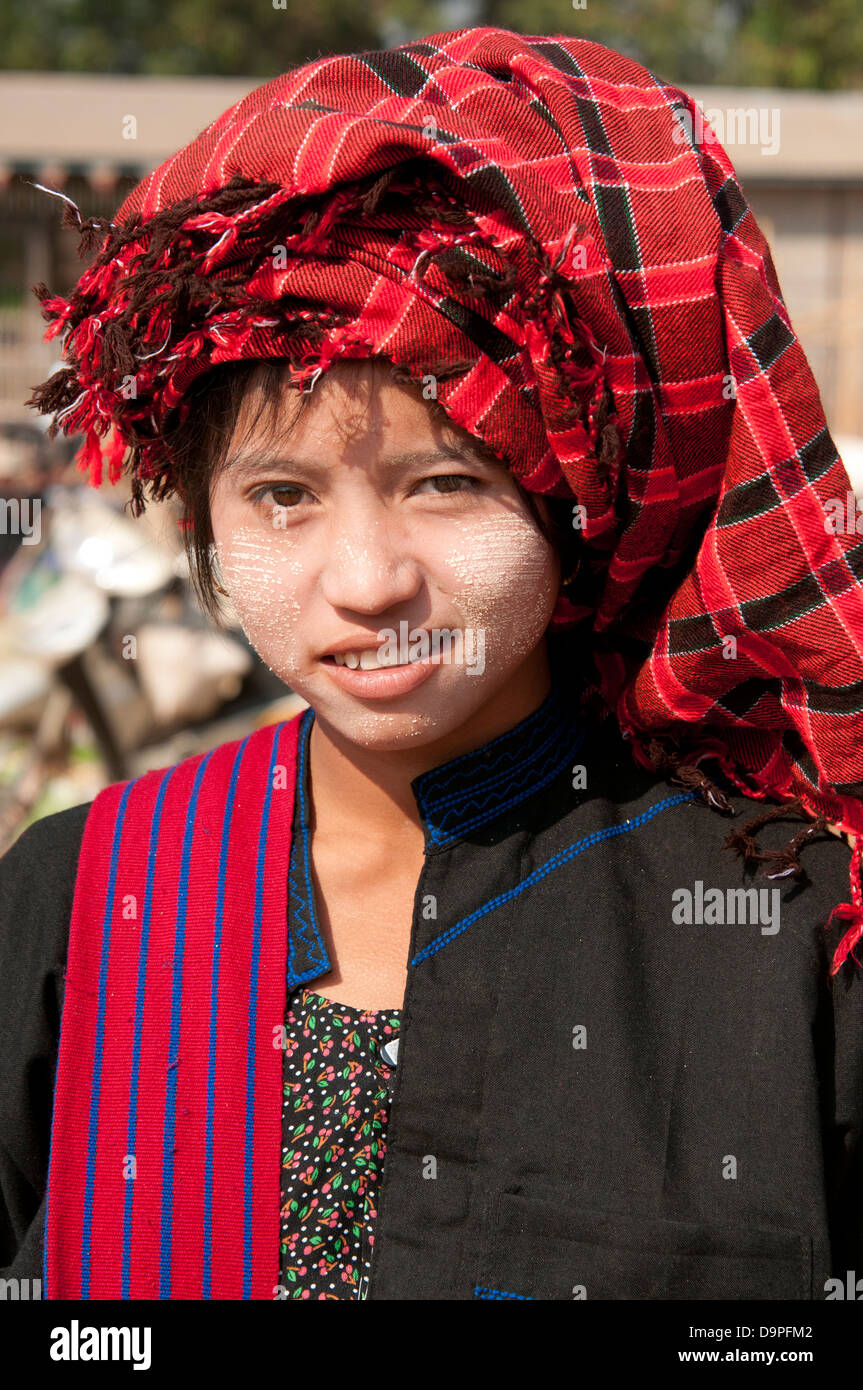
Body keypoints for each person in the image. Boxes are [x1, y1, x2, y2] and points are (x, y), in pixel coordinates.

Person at [3, 25, 862, 1302]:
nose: (365, 584)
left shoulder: (794, 927)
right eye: (282, 494)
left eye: (447, 483)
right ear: (199, 512)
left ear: (583, 499)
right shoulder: (81, 897)